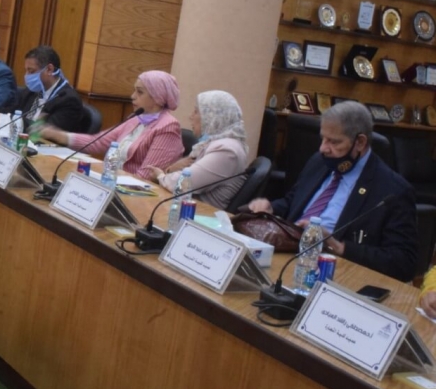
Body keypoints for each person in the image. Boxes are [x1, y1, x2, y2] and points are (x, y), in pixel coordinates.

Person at [248, 101, 417, 282]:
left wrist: (340, 247)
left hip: (334, 274)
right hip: (286, 256)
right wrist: (271, 207)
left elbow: (404, 263)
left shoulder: (392, 190)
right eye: (323, 139)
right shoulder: (320, 162)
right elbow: (293, 202)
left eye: (334, 142)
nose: (323, 148)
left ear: (360, 142)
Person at [39, 70, 183, 180]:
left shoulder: (168, 127)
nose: (132, 96)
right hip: (113, 182)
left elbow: (145, 176)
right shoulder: (137, 118)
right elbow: (97, 142)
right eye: (134, 90)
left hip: (132, 193)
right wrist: (57, 135)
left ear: (157, 97)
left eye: (140, 92)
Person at [148, 90, 248, 209]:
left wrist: (160, 176)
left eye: (196, 111)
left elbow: (182, 183)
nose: (191, 116)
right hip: (186, 208)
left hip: (200, 214)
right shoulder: (216, 143)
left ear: (212, 116)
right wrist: (169, 171)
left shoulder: (227, 151)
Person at [0, 45, 87, 132]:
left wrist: (4, 121)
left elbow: (44, 131)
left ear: (49, 69)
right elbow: (11, 110)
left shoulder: (68, 99)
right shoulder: (31, 91)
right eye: (26, 70)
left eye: (31, 71)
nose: (26, 76)